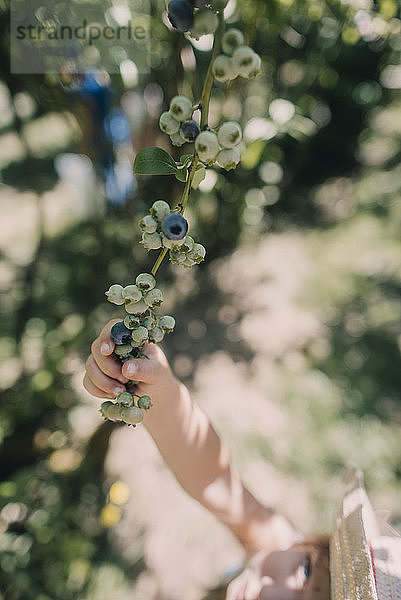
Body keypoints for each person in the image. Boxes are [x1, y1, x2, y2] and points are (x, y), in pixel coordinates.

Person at [84, 318, 330, 600]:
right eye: (306, 572)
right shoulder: (283, 547)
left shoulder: (285, 565)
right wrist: (155, 387)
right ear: (313, 546)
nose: (273, 590)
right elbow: (213, 478)